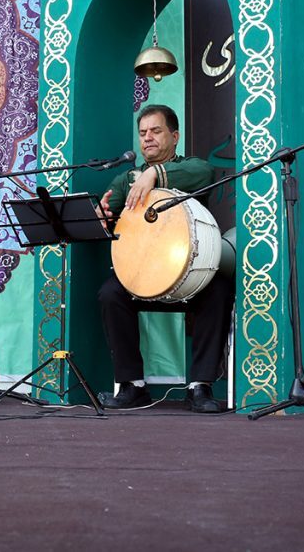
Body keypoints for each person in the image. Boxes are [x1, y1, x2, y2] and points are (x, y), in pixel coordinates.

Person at [96, 104, 234, 413]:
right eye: (143, 133)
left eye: (156, 131)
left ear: (175, 136)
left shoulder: (192, 168)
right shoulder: (126, 180)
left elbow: (206, 173)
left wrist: (154, 174)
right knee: (110, 293)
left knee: (219, 290)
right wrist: (102, 217)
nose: (147, 138)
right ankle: (132, 386)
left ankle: (200, 386)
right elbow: (108, 213)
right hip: (142, 277)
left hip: (191, 276)